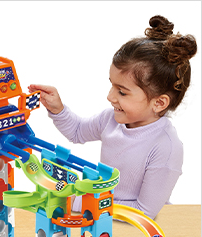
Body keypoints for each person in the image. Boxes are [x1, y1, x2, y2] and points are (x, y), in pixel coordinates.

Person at [28, 15, 197, 219]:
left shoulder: (166, 148)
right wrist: (58, 109)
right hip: (100, 213)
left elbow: (144, 212)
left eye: (122, 92)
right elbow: (77, 132)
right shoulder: (111, 119)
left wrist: (79, 202)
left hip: (131, 226)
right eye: (112, 85)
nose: (110, 97)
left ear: (159, 103)